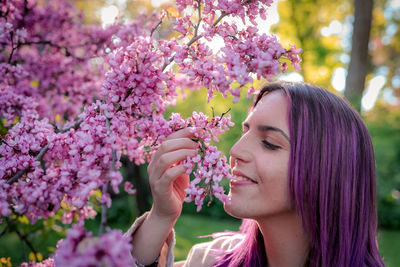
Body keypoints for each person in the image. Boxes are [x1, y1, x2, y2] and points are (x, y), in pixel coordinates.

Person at [127, 81, 386, 267]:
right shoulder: (208, 260)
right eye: (244, 132)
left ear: (327, 170)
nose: (235, 150)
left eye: (270, 143)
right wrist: (161, 216)